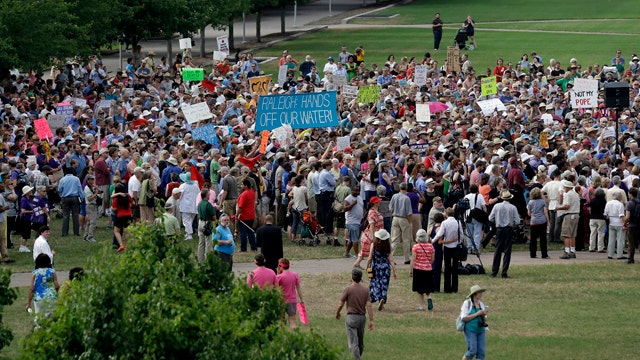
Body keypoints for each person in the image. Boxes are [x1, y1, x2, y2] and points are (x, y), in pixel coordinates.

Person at [335, 268, 374, 360]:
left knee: (353, 342)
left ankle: (357, 358)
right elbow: (369, 304)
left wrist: (337, 313)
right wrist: (371, 320)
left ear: (352, 277)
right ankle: (358, 356)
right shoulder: (365, 290)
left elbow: (341, 303)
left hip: (351, 317)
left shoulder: (348, 289)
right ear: (360, 278)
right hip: (362, 318)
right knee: (360, 342)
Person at [488, 191, 520, 278]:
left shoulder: (497, 206)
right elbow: (517, 221)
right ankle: (504, 272)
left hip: (499, 229)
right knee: (507, 251)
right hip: (508, 229)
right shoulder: (513, 207)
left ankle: (494, 272)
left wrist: (497, 222)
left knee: (497, 250)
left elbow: (490, 218)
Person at [432, 207, 463, 293]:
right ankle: (455, 287)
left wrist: (432, 241)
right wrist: (459, 242)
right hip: (455, 246)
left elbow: (439, 234)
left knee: (447, 267)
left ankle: (447, 287)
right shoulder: (458, 222)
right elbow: (461, 234)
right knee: (455, 267)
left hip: (447, 246)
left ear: (446, 214)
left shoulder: (445, 223)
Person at [366, 229, 397, 311]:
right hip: (386, 268)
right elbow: (391, 260)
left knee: (375, 283)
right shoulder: (388, 245)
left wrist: (367, 266)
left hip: (376, 267)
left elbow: (370, 258)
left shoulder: (374, 245)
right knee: (384, 285)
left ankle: (377, 297)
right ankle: (382, 299)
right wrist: (394, 271)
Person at [353, 196, 383, 269]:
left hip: (374, 233)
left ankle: (357, 263)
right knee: (371, 250)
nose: (380, 202)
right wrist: (373, 236)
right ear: (375, 203)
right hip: (371, 235)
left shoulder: (374, 210)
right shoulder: (372, 212)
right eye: (378, 201)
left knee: (366, 250)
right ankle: (370, 265)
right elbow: (371, 225)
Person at [27, 253, 60, 317]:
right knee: (51, 318)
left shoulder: (35, 273)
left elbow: (31, 289)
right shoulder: (52, 272)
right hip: (51, 297)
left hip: (39, 298)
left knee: (39, 318)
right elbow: (57, 286)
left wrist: (28, 303)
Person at [410, 229, 435, 311]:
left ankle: (421, 306)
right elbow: (432, 259)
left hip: (418, 269)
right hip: (428, 269)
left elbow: (413, 259)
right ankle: (429, 297)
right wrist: (428, 264)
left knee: (419, 289)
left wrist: (411, 270)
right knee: (427, 286)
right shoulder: (430, 246)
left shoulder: (415, 247)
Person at [460, 285, 488, 360]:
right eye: (479, 292)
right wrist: (477, 314)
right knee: (472, 351)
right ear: (474, 293)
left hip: (481, 330)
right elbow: (464, 318)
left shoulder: (481, 304)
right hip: (470, 330)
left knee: (481, 353)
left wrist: (484, 315)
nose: (481, 293)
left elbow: (485, 320)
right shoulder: (467, 303)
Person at [276, 258, 304, 329]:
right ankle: (295, 335)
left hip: (281, 301)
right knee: (292, 321)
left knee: (281, 321)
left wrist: (277, 274)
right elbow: (298, 288)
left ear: (280, 266)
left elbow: (276, 288)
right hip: (292, 300)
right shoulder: (295, 275)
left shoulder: (279, 277)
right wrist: (301, 299)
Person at [58, 166, 85, 237]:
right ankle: (76, 232)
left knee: (65, 215)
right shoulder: (76, 179)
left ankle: (64, 233)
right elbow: (79, 189)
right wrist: (82, 197)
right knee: (75, 215)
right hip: (74, 198)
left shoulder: (62, 179)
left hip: (65, 198)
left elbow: (59, 189)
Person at [389, 182, 413, 264]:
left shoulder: (394, 196)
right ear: (406, 189)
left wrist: (392, 216)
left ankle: (390, 256)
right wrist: (409, 222)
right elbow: (409, 213)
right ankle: (406, 258)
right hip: (404, 218)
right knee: (406, 239)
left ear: (399, 188)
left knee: (394, 239)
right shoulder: (406, 198)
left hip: (395, 217)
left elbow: (390, 208)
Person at [557, 180, 580, 259]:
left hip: (569, 215)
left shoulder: (568, 195)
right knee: (573, 234)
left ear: (567, 187)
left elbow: (567, 206)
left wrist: (558, 208)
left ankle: (566, 251)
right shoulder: (576, 194)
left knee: (566, 234)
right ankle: (572, 251)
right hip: (576, 214)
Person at [527, 188, 549, 259]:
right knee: (543, 238)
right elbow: (545, 211)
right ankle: (544, 254)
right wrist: (548, 221)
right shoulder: (542, 202)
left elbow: (529, 213)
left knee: (533, 238)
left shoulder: (530, 202)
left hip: (534, 221)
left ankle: (532, 254)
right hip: (542, 221)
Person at [604, 191, 627, 260]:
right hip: (619, 223)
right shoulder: (620, 204)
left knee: (611, 239)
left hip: (611, 222)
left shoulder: (608, 203)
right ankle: (619, 254)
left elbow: (605, 214)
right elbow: (621, 215)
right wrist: (625, 223)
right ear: (619, 197)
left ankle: (610, 254)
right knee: (620, 240)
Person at [236, 178, 257, 252]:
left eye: (242, 184)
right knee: (250, 231)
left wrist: (236, 214)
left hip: (244, 216)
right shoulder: (252, 192)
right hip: (251, 215)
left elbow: (241, 206)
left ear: (246, 186)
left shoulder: (244, 194)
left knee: (243, 232)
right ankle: (253, 247)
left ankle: (243, 248)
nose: (241, 186)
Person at [197, 187, 217, 262]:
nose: (209, 196)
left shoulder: (200, 204)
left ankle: (200, 259)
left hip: (200, 222)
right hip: (207, 223)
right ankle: (208, 259)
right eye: (208, 194)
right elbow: (213, 216)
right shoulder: (208, 205)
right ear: (206, 196)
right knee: (208, 242)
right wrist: (215, 222)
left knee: (201, 243)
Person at [111, 183, 133, 252]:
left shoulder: (116, 198)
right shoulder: (128, 196)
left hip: (120, 216)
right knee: (127, 231)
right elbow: (133, 204)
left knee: (116, 231)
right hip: (129, 215)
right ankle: (127, 245)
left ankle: (121, 245)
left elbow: (114, 209)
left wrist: (112, 208)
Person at [344, 184, 364, 259]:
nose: (356, 192)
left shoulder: (360, 198)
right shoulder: (348, 199)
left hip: (359, 221)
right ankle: (357, 255)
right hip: (352, 222)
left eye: (358, 191)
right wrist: (352, 204)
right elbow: (345, 209)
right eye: (355, 190)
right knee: (355, 240)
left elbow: (362, 207)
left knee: (353, 239)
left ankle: (346, 252)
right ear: (351, 190)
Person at [588, 188, 607, 253]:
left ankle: (591, 247)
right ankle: (600, 248)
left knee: (592, 233)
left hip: (592, 218)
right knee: (601, 233)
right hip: (601, 218)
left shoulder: (592, 201)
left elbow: (589, 210)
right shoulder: (604, 201)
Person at [83, 175, 100, 243]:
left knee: (89, 222)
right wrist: (95, 193)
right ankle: (90, 237)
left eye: (93, 179)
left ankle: (86, 236)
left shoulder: (91, 187)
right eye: (91, 179)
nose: (92, 181)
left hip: (93, 205)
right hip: (90, 206)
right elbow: (89, 199)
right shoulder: (87, 188)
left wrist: (96, 189)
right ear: (88, 180)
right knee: (92, 222)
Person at [625, 187, 640, 264]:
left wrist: (625, 223)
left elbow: (627, 216)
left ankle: (630, 259)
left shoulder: (629, 203)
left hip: (632, 225)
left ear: (630, 194)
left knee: (631, 243)